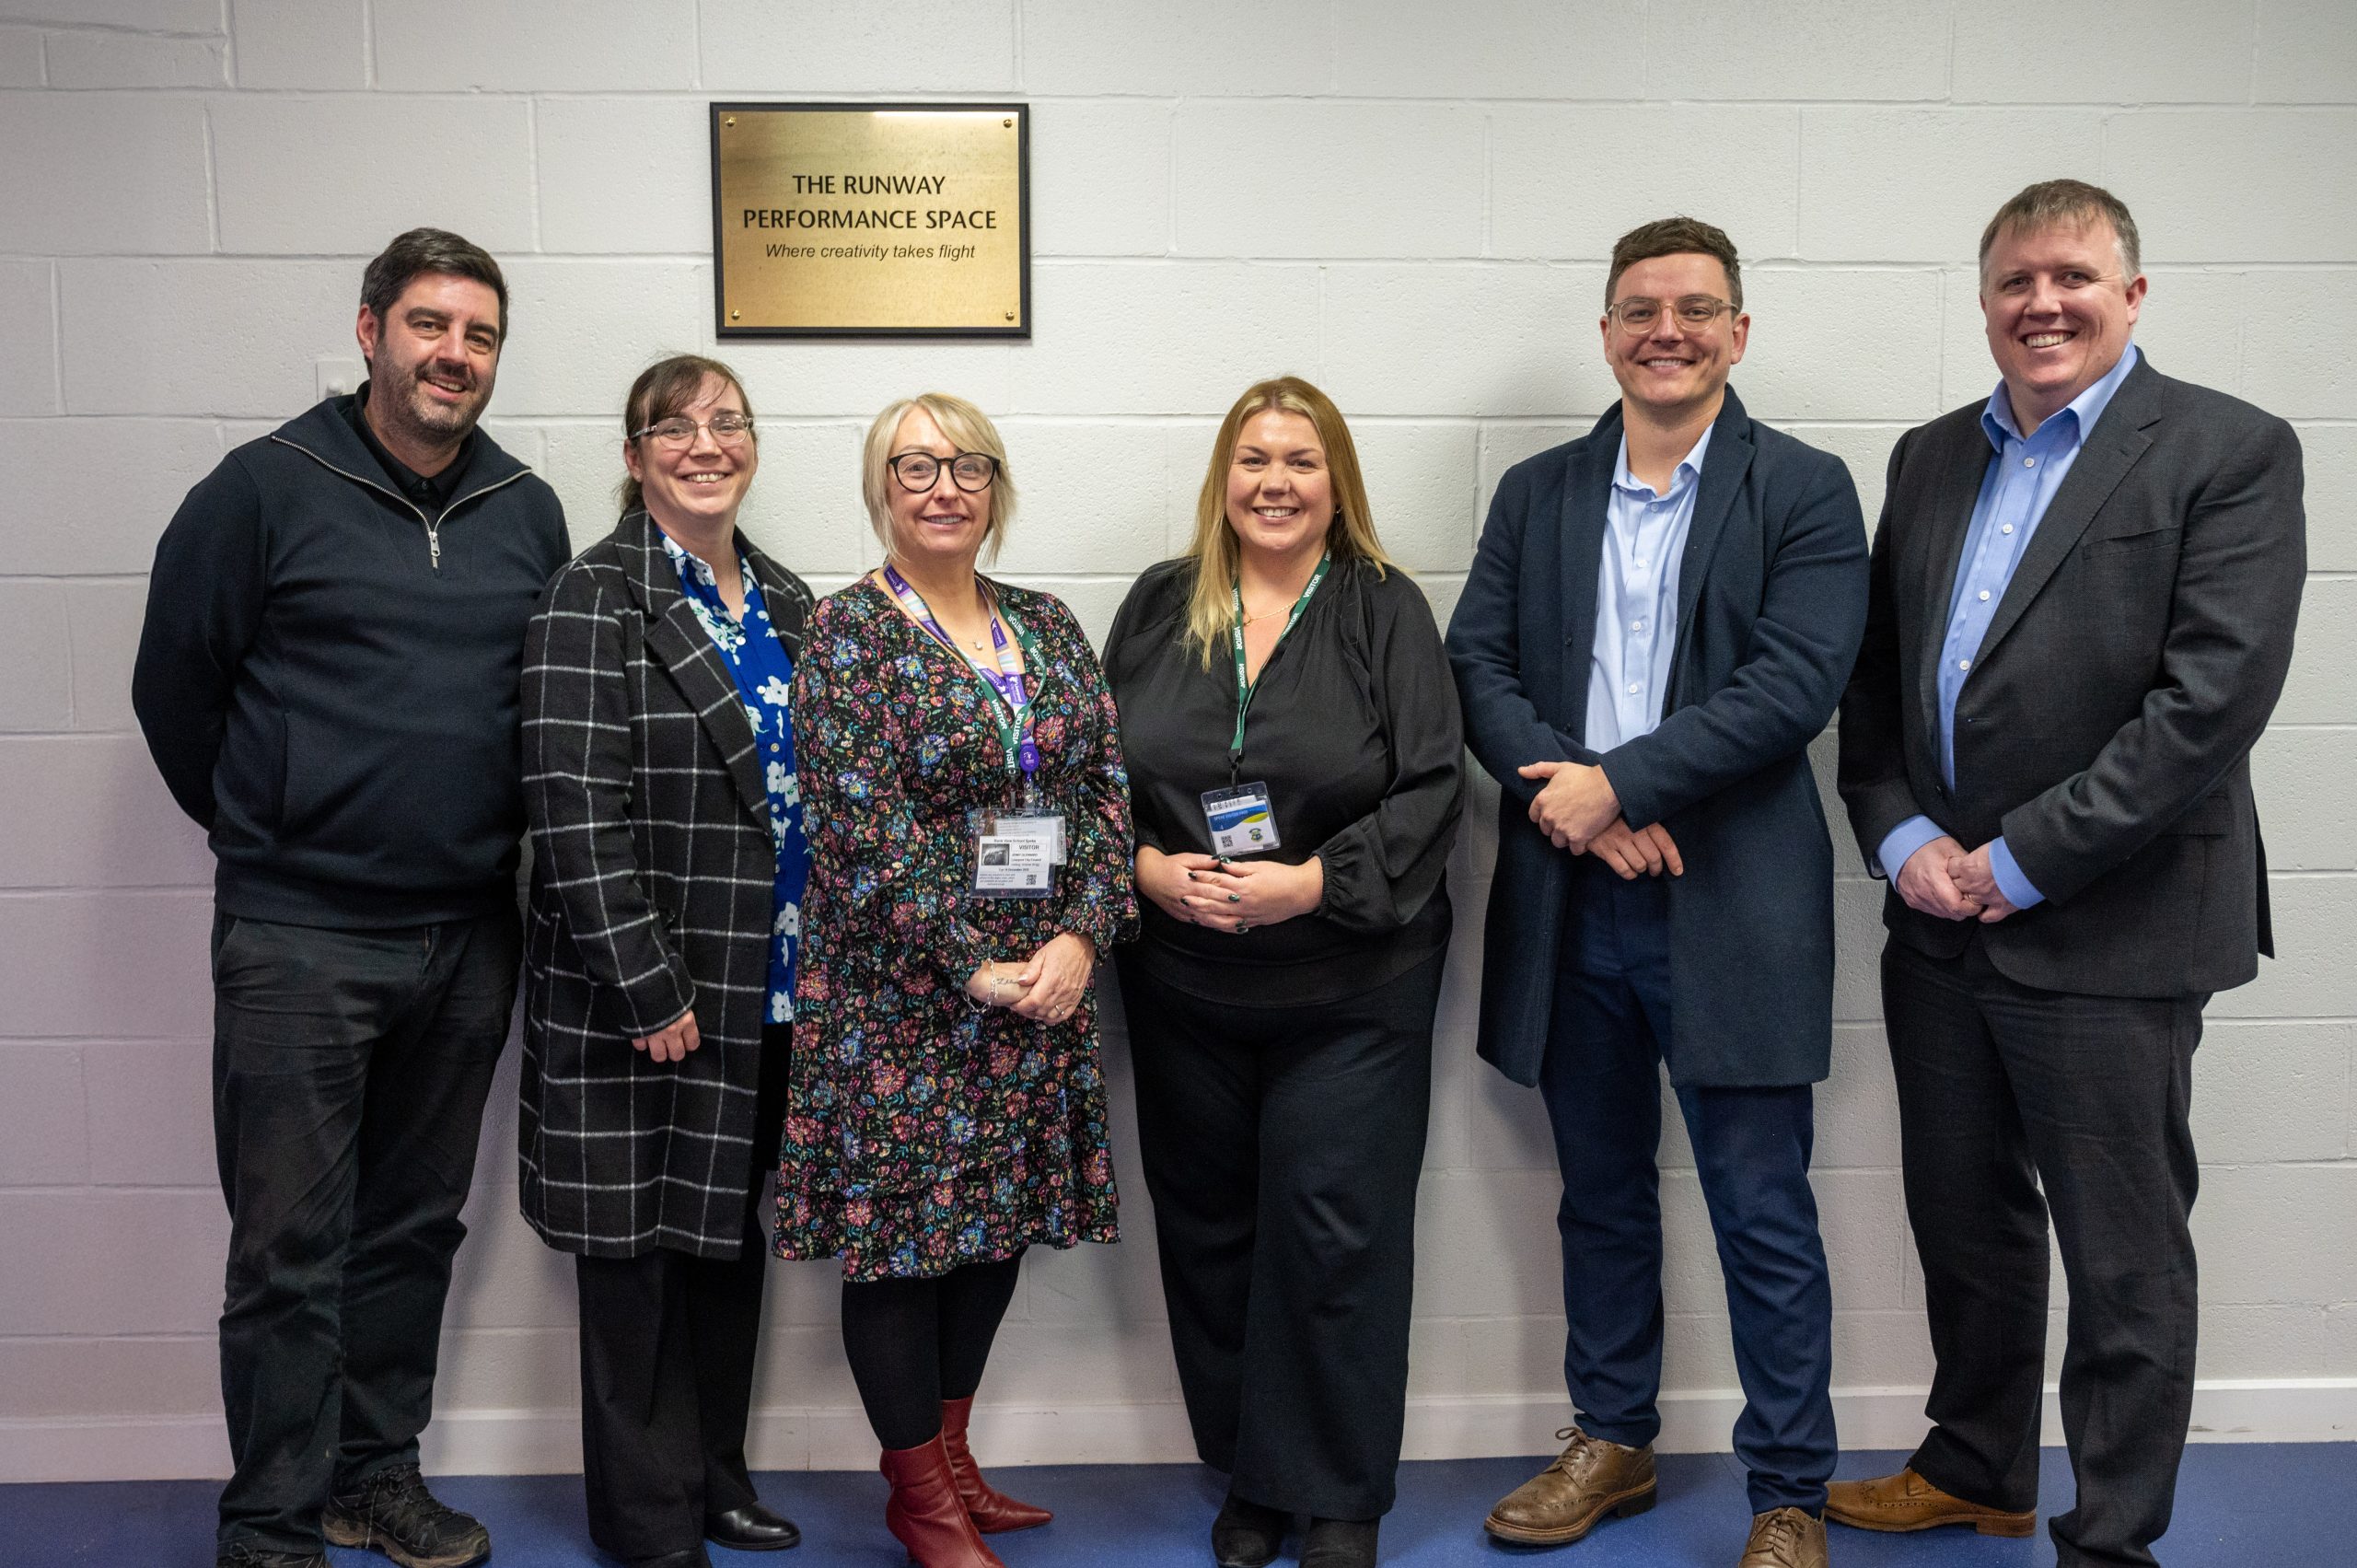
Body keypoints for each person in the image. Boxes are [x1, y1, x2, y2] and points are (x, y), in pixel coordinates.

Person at [1830, 180, 2306, 1568]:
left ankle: (2110, 1538)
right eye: (2016, 281)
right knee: (1964, 1223)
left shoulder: (2227, 449)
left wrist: (2018, 861)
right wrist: (1912, 844)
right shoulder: (1929, 458)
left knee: (2124, 1258)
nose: (2044, 303)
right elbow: (1876, 691)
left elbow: (2208, 704)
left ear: (2133, 296)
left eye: (2074, 278)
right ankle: (1977, 1463)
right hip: (1936, 926)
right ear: (1984, 304)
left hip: (2116, 922)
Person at [130, 228, 569, 1568]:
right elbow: (175, 689)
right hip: (300, 934)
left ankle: (375, 1475)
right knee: (287, 1243)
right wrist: (271, 823)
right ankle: (269, 1513)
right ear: (371, 327)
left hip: (470, 932)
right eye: (431, 324)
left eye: (480, 334)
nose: (455, 355)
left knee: (411, 1230)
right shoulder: (263, 488)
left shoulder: (526, 509)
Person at [1447, 217, 1869, 1568]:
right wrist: (1577, 804)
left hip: (1732, 901)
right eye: (1639, 308)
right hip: (1580, 900)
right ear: (1609, 331)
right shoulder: (1539, 491)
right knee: (1601, 1190)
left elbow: (1793, 685)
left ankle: (1790, 1485)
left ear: (1739, 332)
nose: (1666, 330)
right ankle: (1613, 1436)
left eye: (1696, 308)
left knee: (1761, 1204)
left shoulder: (1804, 489)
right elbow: (1481, 665)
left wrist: (1611, 784)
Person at [1102, 377, 1463, 1568]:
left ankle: (1342, 1495)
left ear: (1335, 480)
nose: (1273, 480)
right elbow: (1093, 778)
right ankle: (1254, 1476)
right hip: (1186, 988)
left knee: (1334, 1229)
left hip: (1348, 985)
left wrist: (1311, 882)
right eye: (1252, 458)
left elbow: (1431, 785)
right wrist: (1147, 869)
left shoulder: (1384, 609)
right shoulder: (1160, 606)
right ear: (1223, 477)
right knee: (1209, 1229)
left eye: (1300, 460)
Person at [775, 393, 1136, 1568]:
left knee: (994, 1230)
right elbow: (854, 824)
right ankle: (917, 1498)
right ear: (882, 487)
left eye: (967, 465)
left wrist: (1078, 937)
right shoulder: (846, 633)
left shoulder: (1046, 623)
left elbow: (1100, 792)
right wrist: (968, 960)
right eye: (915, 465)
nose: (944, 486)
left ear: (997, 486)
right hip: (902, 1005)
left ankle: (954, 1455)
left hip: (1038, 993)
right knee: (903, 1245)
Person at [518, 354, 813, 1568]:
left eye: (728, 421)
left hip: (773, 987)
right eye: (675, 426)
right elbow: (572, 805)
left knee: (722, 1245)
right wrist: (647, 983)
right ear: (634, 456)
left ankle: (715, 1478)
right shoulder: (592, 597)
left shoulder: (793, 601)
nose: (707, 442)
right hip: (643, 996)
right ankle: (648, 1522)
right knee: (635, 1259)